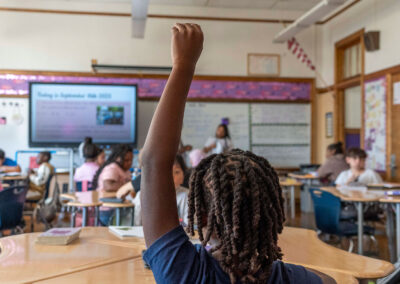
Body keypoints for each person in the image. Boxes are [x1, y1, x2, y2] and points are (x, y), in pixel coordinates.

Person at [140, 23, 333, 284]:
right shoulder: (296, 279)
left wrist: (183, 65)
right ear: (270, 213)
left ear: (202, 216)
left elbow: (153, 162)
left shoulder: (182, 272)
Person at [92, 144, 133, 225]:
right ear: (118, 158)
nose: (129, 163)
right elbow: (108, 186)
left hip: (118, 207)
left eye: (131, 160)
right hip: (107, 209)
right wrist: (128, 185)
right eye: (126, 160)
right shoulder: (112, 168)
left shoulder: (125, 170)